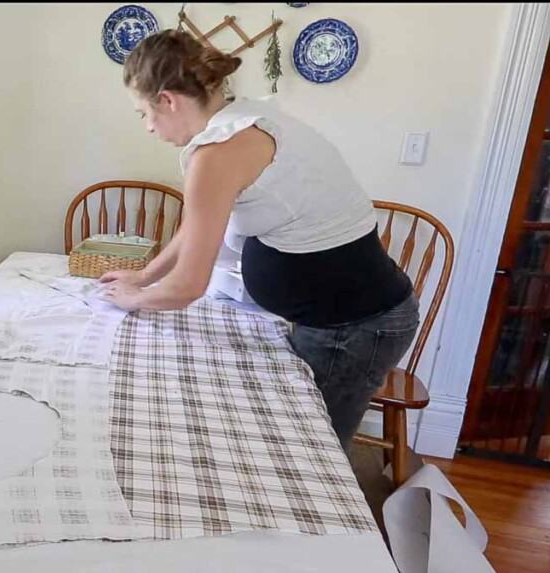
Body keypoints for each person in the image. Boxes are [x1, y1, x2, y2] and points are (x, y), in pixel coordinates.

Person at [99, 29, 420, 453]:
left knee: (311, 451)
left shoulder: (219, 152)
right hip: (340, 317)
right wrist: (144, 275)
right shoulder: (243, 118)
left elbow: (187, 289)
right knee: (290, 436)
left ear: (168, 100)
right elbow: (199, 223)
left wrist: (131, 300)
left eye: (144, 113)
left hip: (355, 326)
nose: (148, 127)